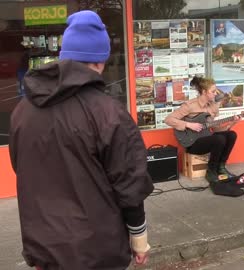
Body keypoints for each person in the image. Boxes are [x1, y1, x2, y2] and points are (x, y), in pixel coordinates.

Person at [9, 10, 154, 270]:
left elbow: (20, 166)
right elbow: (131, 185)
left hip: (44, 249)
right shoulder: (109, 113)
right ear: (100, 61)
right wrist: (139, 240)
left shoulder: (23, 109)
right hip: (96, 252)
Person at [165, 76, 242, 196]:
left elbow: (214, 128)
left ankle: (221, 167)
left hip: (207, 137)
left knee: (231, 135)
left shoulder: (213, 106)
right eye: (213, 91)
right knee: (219, 139)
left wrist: (232, 122)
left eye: (216, 91)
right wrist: (189, 125)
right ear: (204, 92)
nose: (216, 93)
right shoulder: (190, 105)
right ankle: (211, 171)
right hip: (192, 142)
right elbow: (168, 119)